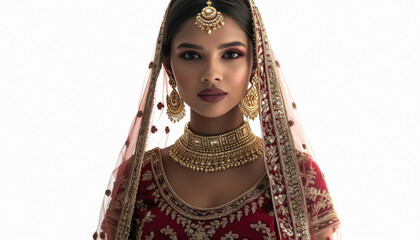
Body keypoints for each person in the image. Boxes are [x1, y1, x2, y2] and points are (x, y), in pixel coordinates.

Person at [93, 0, 341, 239]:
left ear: (255, 63)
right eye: (191, 55)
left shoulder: (297, 177)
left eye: (231, 54)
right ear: (168, 66)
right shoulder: (139, 177)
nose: (211, 74)